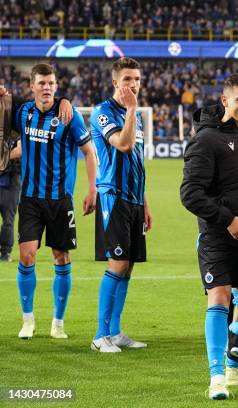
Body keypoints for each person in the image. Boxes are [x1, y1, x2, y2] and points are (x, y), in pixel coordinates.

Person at [181, 73, 238, 400]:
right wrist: (227, 218)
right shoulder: (206, 140)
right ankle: (216, 376)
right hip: (217, 237)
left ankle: (236, 359)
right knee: (219, 297)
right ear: (225, 101)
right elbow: (190, 194)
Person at [12, 64, 96, 340]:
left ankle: (58, 323)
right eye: (41, 83)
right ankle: (28, 320)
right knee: (27, 255)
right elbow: (5, 111)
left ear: (56, 86)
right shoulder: (23, 113)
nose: (46, 87)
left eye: (50, 83)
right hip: (31, 199)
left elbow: (88, 151)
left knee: (61, 257)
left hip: (61, 200)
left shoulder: (69, 116)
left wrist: (92, 189)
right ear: (32, 86)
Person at [90, 57, 152, 353]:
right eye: (127, 79)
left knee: (127, 267)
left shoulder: (135, 115)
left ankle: (114, 331)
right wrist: (129, 109)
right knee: (116, 263)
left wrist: (146, 203)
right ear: (115, 82)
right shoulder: (103, 112)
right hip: (113, 196)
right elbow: (123, 145)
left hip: (134, 199)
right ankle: (100, 336)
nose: (133, 84)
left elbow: (137, 160)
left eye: (137, 79)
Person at [0, 85, 73, 261]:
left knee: (8, 219)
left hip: (12, 178)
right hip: (17, 180)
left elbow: (39, 106)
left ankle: (5, 253)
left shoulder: (17, 113)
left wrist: (63, 100)